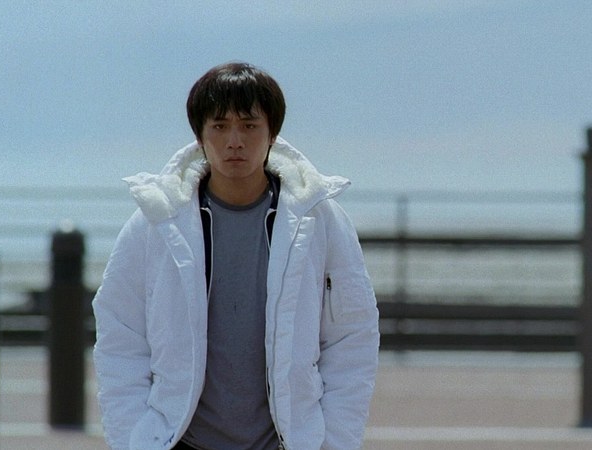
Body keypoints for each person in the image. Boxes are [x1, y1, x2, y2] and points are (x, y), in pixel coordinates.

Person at [92, 62, 380, 450]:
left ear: (272, 134)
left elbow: (352, 336)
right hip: (180, 440)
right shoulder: (157, 221)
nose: (234, 141)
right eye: (220, 126)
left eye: (249, 125)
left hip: (286, 442)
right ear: (199, 136)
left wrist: (333, 441)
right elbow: (120, 336)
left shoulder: (318, 219)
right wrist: (135, 437)